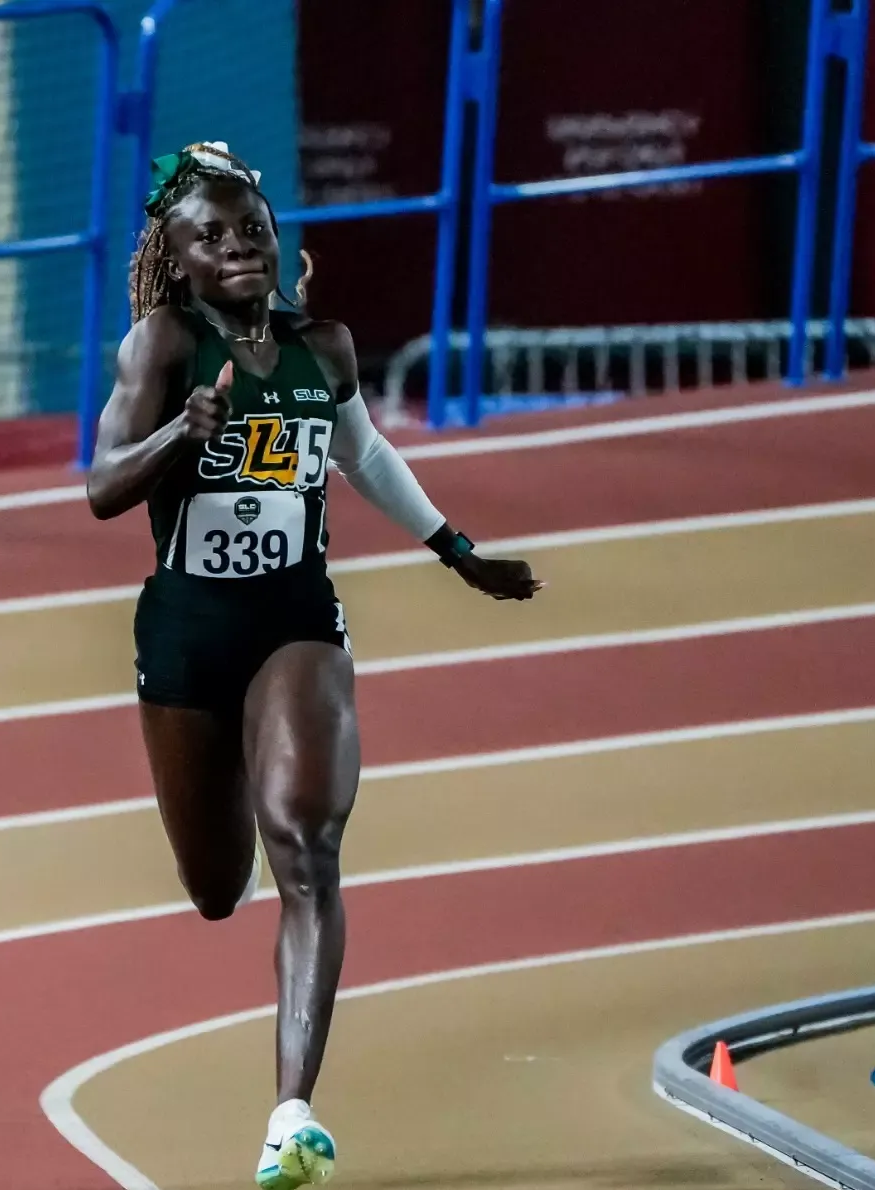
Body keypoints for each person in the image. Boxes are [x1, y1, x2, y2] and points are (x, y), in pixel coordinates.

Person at [85, 142, 541, 1189]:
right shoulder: (159, 346)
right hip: (185, 633)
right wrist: (174, 438)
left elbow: (365, 452)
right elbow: (102, 487)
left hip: (295, 616)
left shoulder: (320, 345)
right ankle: (242, 785)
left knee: (307, 842)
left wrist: (454, 550)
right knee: (214, 885)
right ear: (178, 255)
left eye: (250, 228)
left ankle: (291, 1117)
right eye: (212, 235)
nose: (237, 246)